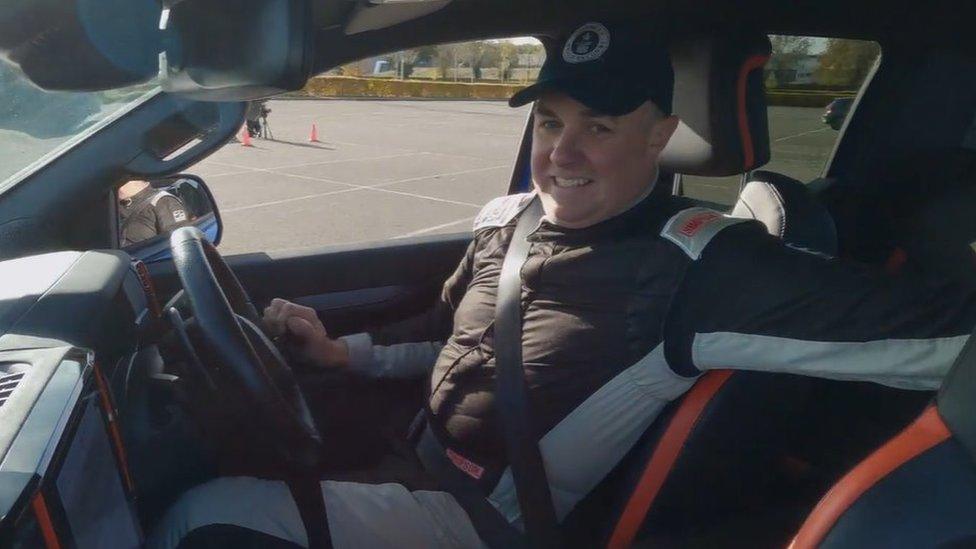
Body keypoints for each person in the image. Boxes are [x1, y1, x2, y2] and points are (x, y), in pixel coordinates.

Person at [149, 22, 976, 548]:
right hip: (411, 456)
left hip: (482, 523)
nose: (560, 153)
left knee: (197, 517)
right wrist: (344, 352)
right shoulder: (509, 220)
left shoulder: (703, 270)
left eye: (599, 127)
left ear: (658, 135)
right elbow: (446, 335)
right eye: (549, 122)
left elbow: (938, 333)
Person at [119, 179, 190, 246]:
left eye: (119, 183)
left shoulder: (163, 202)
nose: (115, 187)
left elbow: (179, 242)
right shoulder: (114, 203)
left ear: (135, 180)